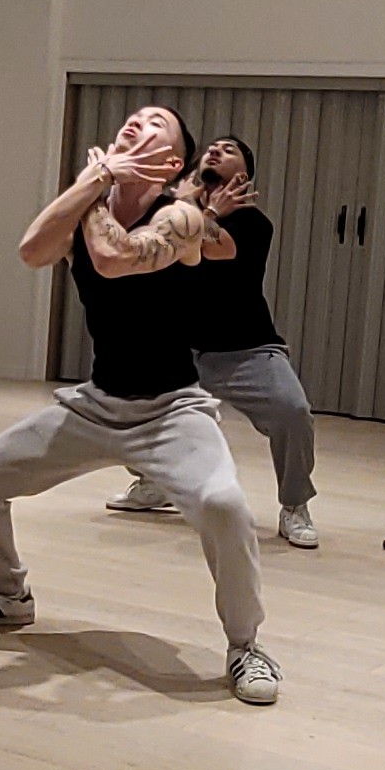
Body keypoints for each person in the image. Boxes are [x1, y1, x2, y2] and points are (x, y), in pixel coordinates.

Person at [0, 105, 283, 702]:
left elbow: (115, 259)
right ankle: (7, 594)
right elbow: (30, 251)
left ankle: (246, 645)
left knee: (222, 503)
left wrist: (93, 185)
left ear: (173, 162)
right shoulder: (89, 201)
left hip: (172, 410)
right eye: (134, 117)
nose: (136, 122)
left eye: (156, 124)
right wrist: (94, 182)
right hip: (96, 405)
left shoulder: (182, 217)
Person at [107, 136, 322, 548]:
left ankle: (295, 505)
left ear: (242, 174)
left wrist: (197, 211)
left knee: (293, 412)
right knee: (130, 403)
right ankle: (153, 483)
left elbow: (209, 249)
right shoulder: (178, 210)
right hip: (183, 350)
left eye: (229, 149)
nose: (215, 150)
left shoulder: (253, 223)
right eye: (211, 147)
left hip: (247, 349)